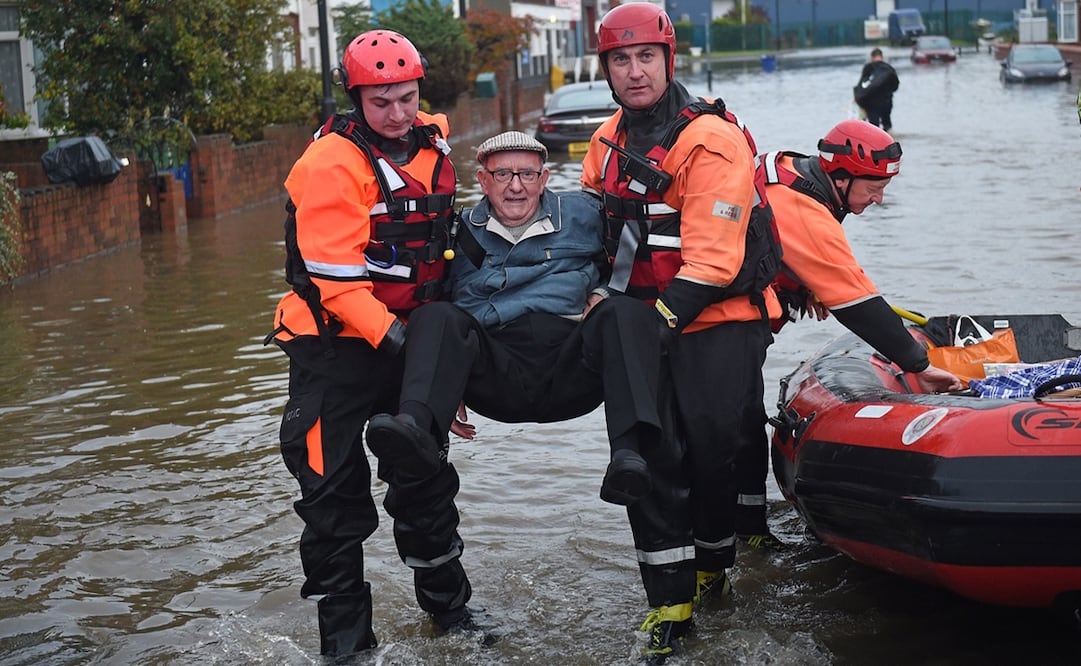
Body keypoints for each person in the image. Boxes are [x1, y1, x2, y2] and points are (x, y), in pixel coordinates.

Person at [364, 131, 670, 640]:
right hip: (498, 369)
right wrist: (447, 380)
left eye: (527, 174)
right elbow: (435, 306)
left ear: (546, 178)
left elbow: (633, 257)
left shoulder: (585, 214)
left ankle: (629, 454)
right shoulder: (457, 230)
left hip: (571, 365)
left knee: (624, 312)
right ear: (481, 181)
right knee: (436, 316)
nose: (515, 186)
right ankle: (415, 427)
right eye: (502, 175)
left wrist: (602, 291)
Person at [580, 4, 783, 662]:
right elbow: (593, 235)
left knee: (710, 450)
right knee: (649, 458)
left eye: (645, 58)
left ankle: (713, 565)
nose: (633, 71)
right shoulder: (606, 139)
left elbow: (715, 261)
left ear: (670, 62)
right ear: (604, 68)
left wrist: (652, 328)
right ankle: (668, 602)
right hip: (640, 322)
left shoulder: (711, 140)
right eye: (619, 59)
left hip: (716, 320)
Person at [264, 30, 459, 658]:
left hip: (405, 343)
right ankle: (346, 647)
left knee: (426, 483)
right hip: (334, 350)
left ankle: (452, 619)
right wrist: (415, 353)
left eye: (407, 98)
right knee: (332, 501)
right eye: (382, 103)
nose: (399, 114)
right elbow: (340, 288)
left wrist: (440, 370)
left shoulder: (432, 145)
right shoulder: (330, 165)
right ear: (356, 100)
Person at [735, 121, 965, 541]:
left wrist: (804, 281)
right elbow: (858, 303)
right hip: (723, 326)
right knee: (739, 423)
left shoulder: (784, 167)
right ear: (840, 177)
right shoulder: (806, 209)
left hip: (722, 318)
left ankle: (746, 529)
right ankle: (744, 533)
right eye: (874, 188)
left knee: (743, 420)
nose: (879, 199)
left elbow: (769, 239)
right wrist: (919, 364)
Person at [854, 47, 900, 132]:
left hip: (872, 104)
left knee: (874, 128)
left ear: (872, 57)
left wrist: (857, 97)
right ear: (882, 57)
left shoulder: (868, 68)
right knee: (887, 125)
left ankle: (875, 143)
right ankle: (890, 142)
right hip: (887, 102)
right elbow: (895, 86)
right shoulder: (889, 69)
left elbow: (862, 84)